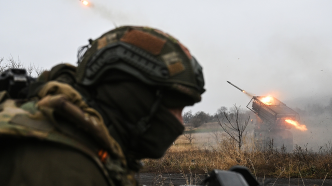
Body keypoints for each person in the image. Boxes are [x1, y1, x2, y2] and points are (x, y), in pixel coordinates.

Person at [0, 26, 205, 186]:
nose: (179, 121)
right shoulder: (62, 164)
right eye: (174, 107)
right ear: (131, 97)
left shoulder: (91, 147)